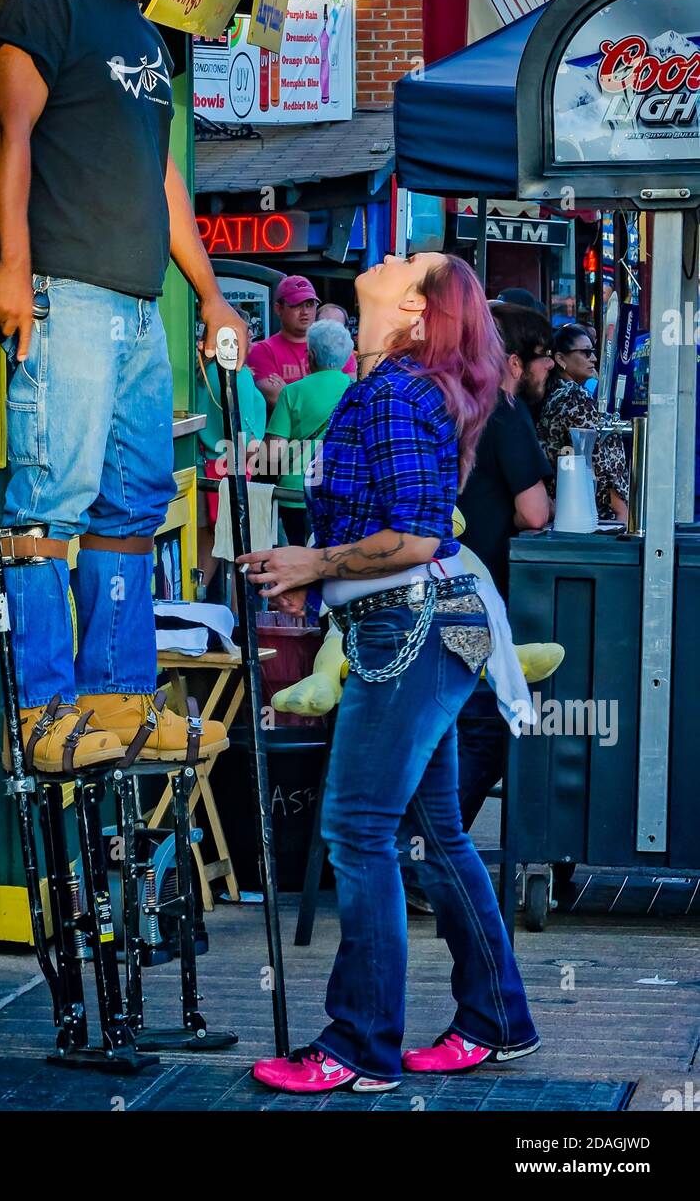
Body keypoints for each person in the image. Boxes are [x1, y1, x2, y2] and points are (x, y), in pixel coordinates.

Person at [243, 253, 540, 1094]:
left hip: (407, 624)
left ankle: (357, 1047)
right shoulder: (396, 387)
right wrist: (314, 565)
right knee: (434, 832)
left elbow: (414, 535)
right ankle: (496, 1021)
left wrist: (311, 564)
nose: (388, 254)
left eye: (408, 261)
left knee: (357, 831)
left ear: (413, 306)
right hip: (421, 622)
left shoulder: (394, 391)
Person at [0, 0, 247, 770]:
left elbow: (161, 175)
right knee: (46, 503)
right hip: (65, 290)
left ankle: (119, 702)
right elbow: (9, 132)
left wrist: (210, 291)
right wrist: (12, 267)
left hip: (136, 306)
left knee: (132, 504)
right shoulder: (49, 0)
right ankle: (43, 711)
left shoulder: (143, 35)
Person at [457, 303, 554, 602]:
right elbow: (534, 513)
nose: (550, 364)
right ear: (514, 364)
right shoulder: (507, 411)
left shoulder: (460, 404)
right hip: (487, 581)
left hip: (450, 573)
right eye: (542, 355)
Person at [265, 319, 354, 547]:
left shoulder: (291, 393)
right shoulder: (358, 390)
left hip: (296, 492)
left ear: (311, 355)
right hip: (342, 489)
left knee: (297, 556)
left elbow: (272, 456)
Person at [537, 324, 628, 523]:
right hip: (591, 510)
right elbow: (596, 457)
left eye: (593, 352)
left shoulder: (553, 394)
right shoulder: (576, 397)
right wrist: (621, 509)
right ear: (560, 359)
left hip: (562, 505)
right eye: (586, 353)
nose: (593, 359)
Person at [196, 344, 265, 590]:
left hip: (202, 466)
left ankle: (198, 598)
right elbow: (244, 439)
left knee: (210, 541)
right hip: (233, 466)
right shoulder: (238, 374)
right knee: (240, 547)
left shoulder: (202, 372)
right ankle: (238, 619)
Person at [247, 276, 356, 409]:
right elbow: (276, 400)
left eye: (310, 304)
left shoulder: (338, 345)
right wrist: (327, 396)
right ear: (278, 308)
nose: (305, 312)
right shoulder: (261, 351)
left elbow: (349, 398)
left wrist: (287, 392)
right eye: (296, 305)